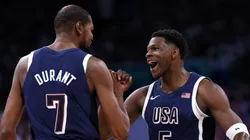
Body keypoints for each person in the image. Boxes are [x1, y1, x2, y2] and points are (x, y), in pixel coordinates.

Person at [0, 4, 129, 140]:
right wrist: (118, 96)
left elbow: (5, 130)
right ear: (79, 27)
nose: (92, 36)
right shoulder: (93, 66)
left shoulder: (25, 64)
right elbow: (121, 132)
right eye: (91, 30)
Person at [99, 29, 250, 140]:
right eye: (147, 50)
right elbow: (107, 133)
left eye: (155, 49)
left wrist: (240, 135)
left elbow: (236, 128)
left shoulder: (203, 89)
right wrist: (113, 94)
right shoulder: (143, 95)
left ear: (174, 53)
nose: (148, 54)